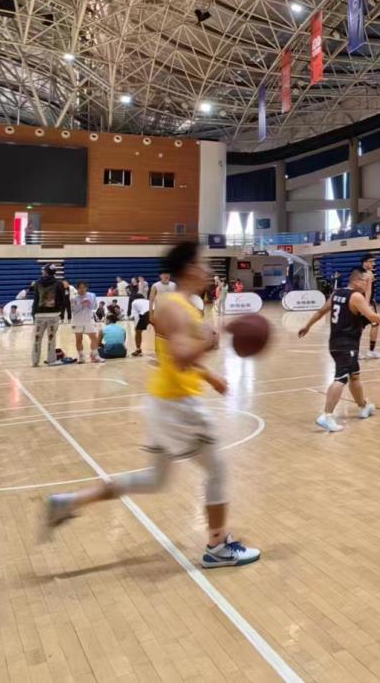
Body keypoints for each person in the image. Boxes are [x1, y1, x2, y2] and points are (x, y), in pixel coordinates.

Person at [44, 242, 260, 568]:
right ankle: (217, 547)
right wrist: (212, 338)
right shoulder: (175, 306)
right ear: (189, 268)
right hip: (178, 405)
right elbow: (181, 356)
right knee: (217, 469)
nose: (207, 270)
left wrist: (210, 375)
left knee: (155, 480)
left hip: (166, 401)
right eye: (202, 264)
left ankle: (69, 502)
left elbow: (175, 357)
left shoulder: (185, 305)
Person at [298, 267, 380, 432]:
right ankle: (326, 415)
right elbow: (372, 316)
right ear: (355, 281)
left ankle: (363, 406)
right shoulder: (355, 297)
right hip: (346, 345)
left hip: (336, 343)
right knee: (341, 379)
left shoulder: (337, 293)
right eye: (365, 281)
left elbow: (321, 312)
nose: (367, 284)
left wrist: (307, 326)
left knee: (354, 376)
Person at [30, 264, 63, 367]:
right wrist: (60, 312)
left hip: (39, 314)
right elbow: (62, 299)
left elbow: (36, 299)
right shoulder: (59, 284)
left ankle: (35, 361)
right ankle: (51, 360)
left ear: (46, 272)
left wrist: (33, 313)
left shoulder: (37, 283)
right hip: (54, 314)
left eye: (43, 270)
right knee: (51, 338)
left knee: (37, 338)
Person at [359, 253, 380, 360]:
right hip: (361, 303)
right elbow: (365, 290)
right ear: (365, 262)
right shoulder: (361, 274)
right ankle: (355, 351)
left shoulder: (370, 273)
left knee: (375, 324)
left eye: (374, 261)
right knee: (358, 327)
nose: (373, 263)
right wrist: (365, 304)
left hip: (369, 302)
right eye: (371, 261)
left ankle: (371, 350)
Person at [72, 281, 103, 363]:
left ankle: (95, 355)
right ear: (77, 289)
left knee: (94, 337)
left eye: (83, 287)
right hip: (77, 320)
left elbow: (95, 307)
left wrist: (89, 303)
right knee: (79, 339)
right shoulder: (73, 297)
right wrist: (81, 305)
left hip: (89, 319)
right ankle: (81, 356)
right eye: (80, 288)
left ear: (86, 288)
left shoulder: (92, 295)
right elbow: (73, 310)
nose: (82, 289)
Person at [129, 290, 152, 357]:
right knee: (159, 332)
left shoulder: (134, 302)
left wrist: (136, 326)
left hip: (146, 313)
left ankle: (138, 349)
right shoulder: (147, 301)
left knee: (138, 331)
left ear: (134, 298)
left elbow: (136, 315)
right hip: (157, 311)